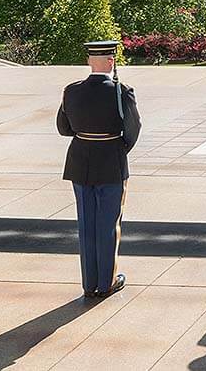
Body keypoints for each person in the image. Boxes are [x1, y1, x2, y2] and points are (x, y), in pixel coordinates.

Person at [56, 40, 141, 299]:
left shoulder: (71, 91)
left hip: (80, 160)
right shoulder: (121, 91)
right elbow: (133, 129)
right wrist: (117, 148)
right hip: (110, 161)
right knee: (108, 224)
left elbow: (63, 128)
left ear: (89, 61)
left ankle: (89, 283)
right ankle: (107, 282)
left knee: (86, 223)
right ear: (111, 61)